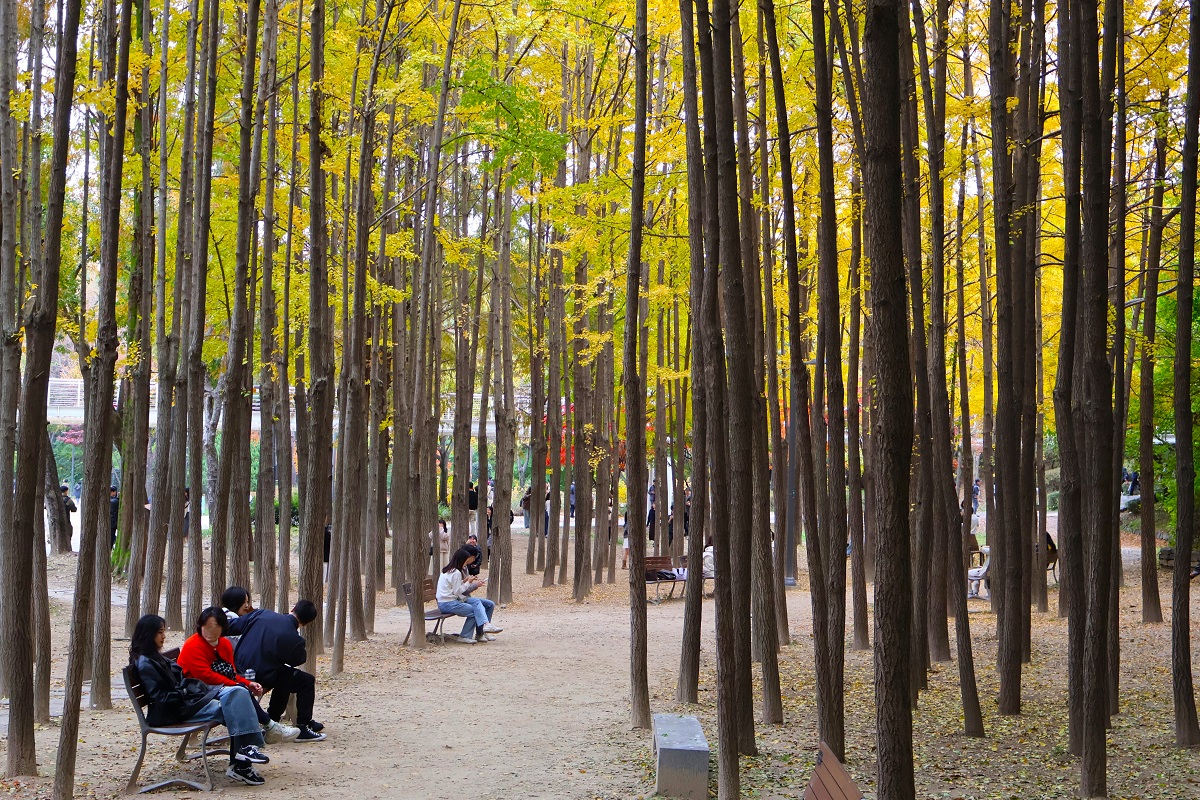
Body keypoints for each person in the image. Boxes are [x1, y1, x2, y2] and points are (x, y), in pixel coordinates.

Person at [129, 614, 271, 786]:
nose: (164, 636)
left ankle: (244, 753)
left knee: (238, 692)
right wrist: (184, 692)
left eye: (163, 631)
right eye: (160, 632)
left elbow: (178, 677)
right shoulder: (146, 663)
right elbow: (161, 697)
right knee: (234, 704)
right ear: (148, 634)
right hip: (174, 712)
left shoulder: (154, 657)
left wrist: (186, 689)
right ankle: (242, 762)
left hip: (185, 704)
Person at [178, 607, 301, 744]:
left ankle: (263, 733)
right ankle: (266, 731)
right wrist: (237, 686)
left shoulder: (224, 644)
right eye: (206, 627)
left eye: (215, 627)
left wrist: (248, 683)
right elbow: (206, 676)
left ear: (223, 627)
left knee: (241, 691)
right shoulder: (193, 645)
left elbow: (231, 673)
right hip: (195, 693)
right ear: (200, 626)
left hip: (214, 689)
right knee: (239, 693)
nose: (210, 631)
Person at [223, 588, 327, 742]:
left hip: (237, 668)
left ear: (293, 608)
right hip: (259, 675)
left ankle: (273, 721)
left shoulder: (262, 614)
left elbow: (232, 626)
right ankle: (302, 726)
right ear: (306, 623)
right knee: (305, 680)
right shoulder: (295, 639)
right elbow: (297, 660)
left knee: (285, 676)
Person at [436, 547, 502, 644]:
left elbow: (454, 587)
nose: (467, 563)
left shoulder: (449, 570)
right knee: (475, 610)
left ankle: (484, 629)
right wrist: (469, 582)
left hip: (450, 601)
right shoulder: (456, 572)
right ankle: (465, 636)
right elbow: (457, 591)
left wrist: (465, 581)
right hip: (449, 603)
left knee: (485, 604)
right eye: (466, 561)